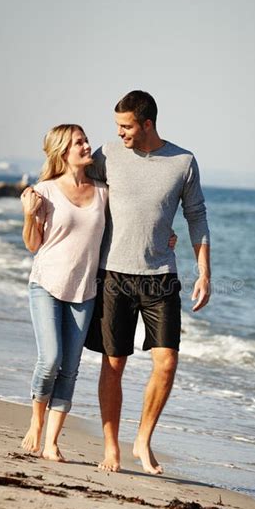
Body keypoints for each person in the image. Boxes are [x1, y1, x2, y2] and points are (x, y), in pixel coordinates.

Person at [85, 90, 211, 475]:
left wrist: (204, 271)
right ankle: (111, 447)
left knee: (167, 361)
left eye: (126, 126)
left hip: (160, 276)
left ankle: (142, 439)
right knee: (114, 363)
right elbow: (75, 183)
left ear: (147, 124)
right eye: (118, 126)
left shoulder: (183, 162)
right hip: (114, 275)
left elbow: (196, 216)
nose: (120, 133)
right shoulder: (107, 154)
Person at [20, 124, 107, 462]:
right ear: (63, 152)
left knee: (70, 368)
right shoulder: (44, 192)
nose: (86, 145)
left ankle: (52, 443)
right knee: (51, 358)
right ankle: (36, 423)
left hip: (84, 290)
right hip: (46, 285)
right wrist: (29, 215)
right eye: (78, 142)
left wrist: (165, 238)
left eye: (85, 140)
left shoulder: (103, 192)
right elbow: (33, 245)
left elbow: (126, 227)